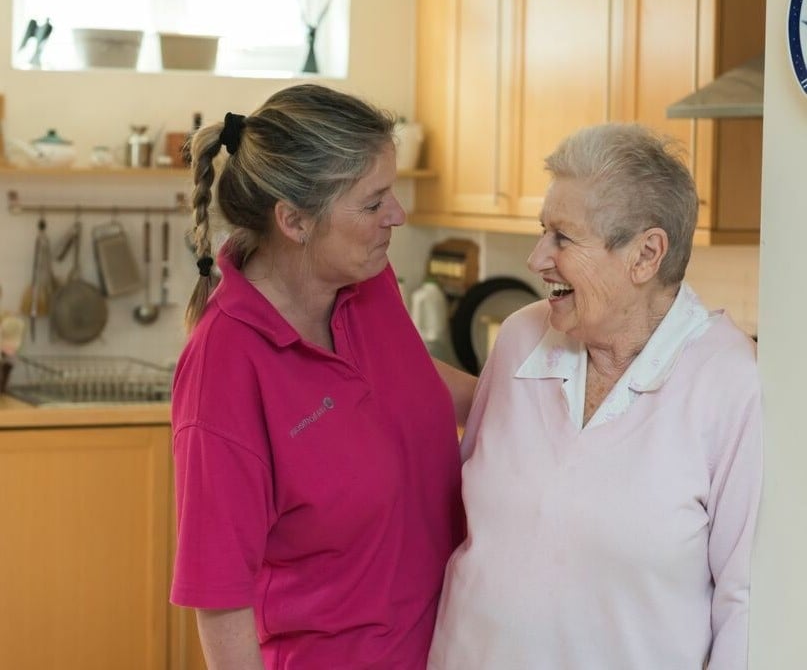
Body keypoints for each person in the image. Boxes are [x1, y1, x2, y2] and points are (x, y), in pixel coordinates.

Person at [428, 123, 763, 670]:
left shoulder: (729, 382)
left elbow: (743, 604)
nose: (537, 259)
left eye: (562, 237)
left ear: (646, 254)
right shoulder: (519, 339)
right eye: (543, 232)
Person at [170, 83, 476, 670]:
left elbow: (409, 380)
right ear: (295, 221)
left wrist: (562, 410)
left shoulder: (366, 281)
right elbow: (219, 597)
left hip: (462, 647)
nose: (398, 216)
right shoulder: (226, 370)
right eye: (373, 202)